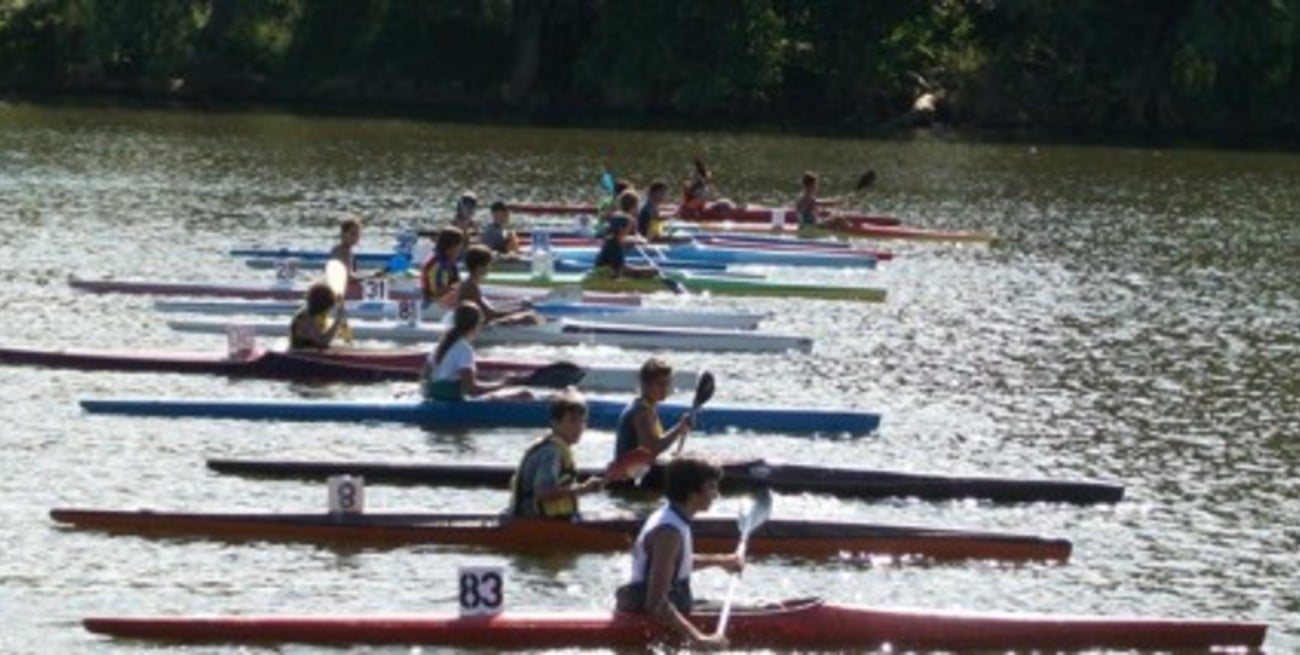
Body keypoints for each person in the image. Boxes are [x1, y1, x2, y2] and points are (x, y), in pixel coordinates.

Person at [615, 457, 742, 649]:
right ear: (692, 493)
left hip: (674, 601)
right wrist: (699, 638)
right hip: (651, 608)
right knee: (753, 611)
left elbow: (678, 563)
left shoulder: (674, 516)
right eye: (711, 487)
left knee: (759, 608)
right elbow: (656, 604)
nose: (716, 494)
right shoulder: (668, 532)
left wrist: (722, 561)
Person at [507, 391, 604, 520]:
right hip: (533, 521)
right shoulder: (551, 452)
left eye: (583, 421)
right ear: (555, 423)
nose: (579, 427)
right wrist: (584, 488)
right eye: (572, 420)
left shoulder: (557, 448)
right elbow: (543, 492)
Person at [421, 302, 532, 401]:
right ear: (476, 325)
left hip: (436, 398)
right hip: (455, 404)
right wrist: (503, 384)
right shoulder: (465, 350)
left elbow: (424, 379)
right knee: (525, 395)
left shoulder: (439, 346)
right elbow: (471, 390)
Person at [613, 358, 694, 459]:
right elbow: (651, 449)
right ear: (645, 385)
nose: (665, 388)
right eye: (660, 384)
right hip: (630, 469)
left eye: (667, 383)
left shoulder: (647, 407)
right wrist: (679, 429)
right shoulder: (641, 411)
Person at [458, 245, 543, 326]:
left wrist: (517, 306)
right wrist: (519, 311)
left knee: (525, 310)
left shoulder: (469, 283)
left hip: (481, 323)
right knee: (529, 318)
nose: (490, 268)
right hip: (483, 327)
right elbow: (490, 315)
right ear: (480, 267)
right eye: (489, 264)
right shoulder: (471, 287)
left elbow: (490, 308)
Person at [593, 194, 659, 279]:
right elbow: (620, 268)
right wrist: (645, 270)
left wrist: (638, 239)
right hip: (607, 272)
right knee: (653, 271)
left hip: (605, 269)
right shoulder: (623, 221)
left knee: (649, 269)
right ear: (634, 206)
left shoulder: (617, 220)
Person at [288, 282, 348, 350]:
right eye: (326, 308)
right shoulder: (306, 319)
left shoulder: (310, 314)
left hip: (308, 352)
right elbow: (323, 342)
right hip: (300, 354)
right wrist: (337, 321)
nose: (327, 311)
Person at [421, 227, 465, 305]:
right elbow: (437, 293)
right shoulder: (439, 265)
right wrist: (462, 287)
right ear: (451, 246)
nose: (461, 248)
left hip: (445, 304)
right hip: (434, 306)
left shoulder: (449, 262)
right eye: (459, 244)